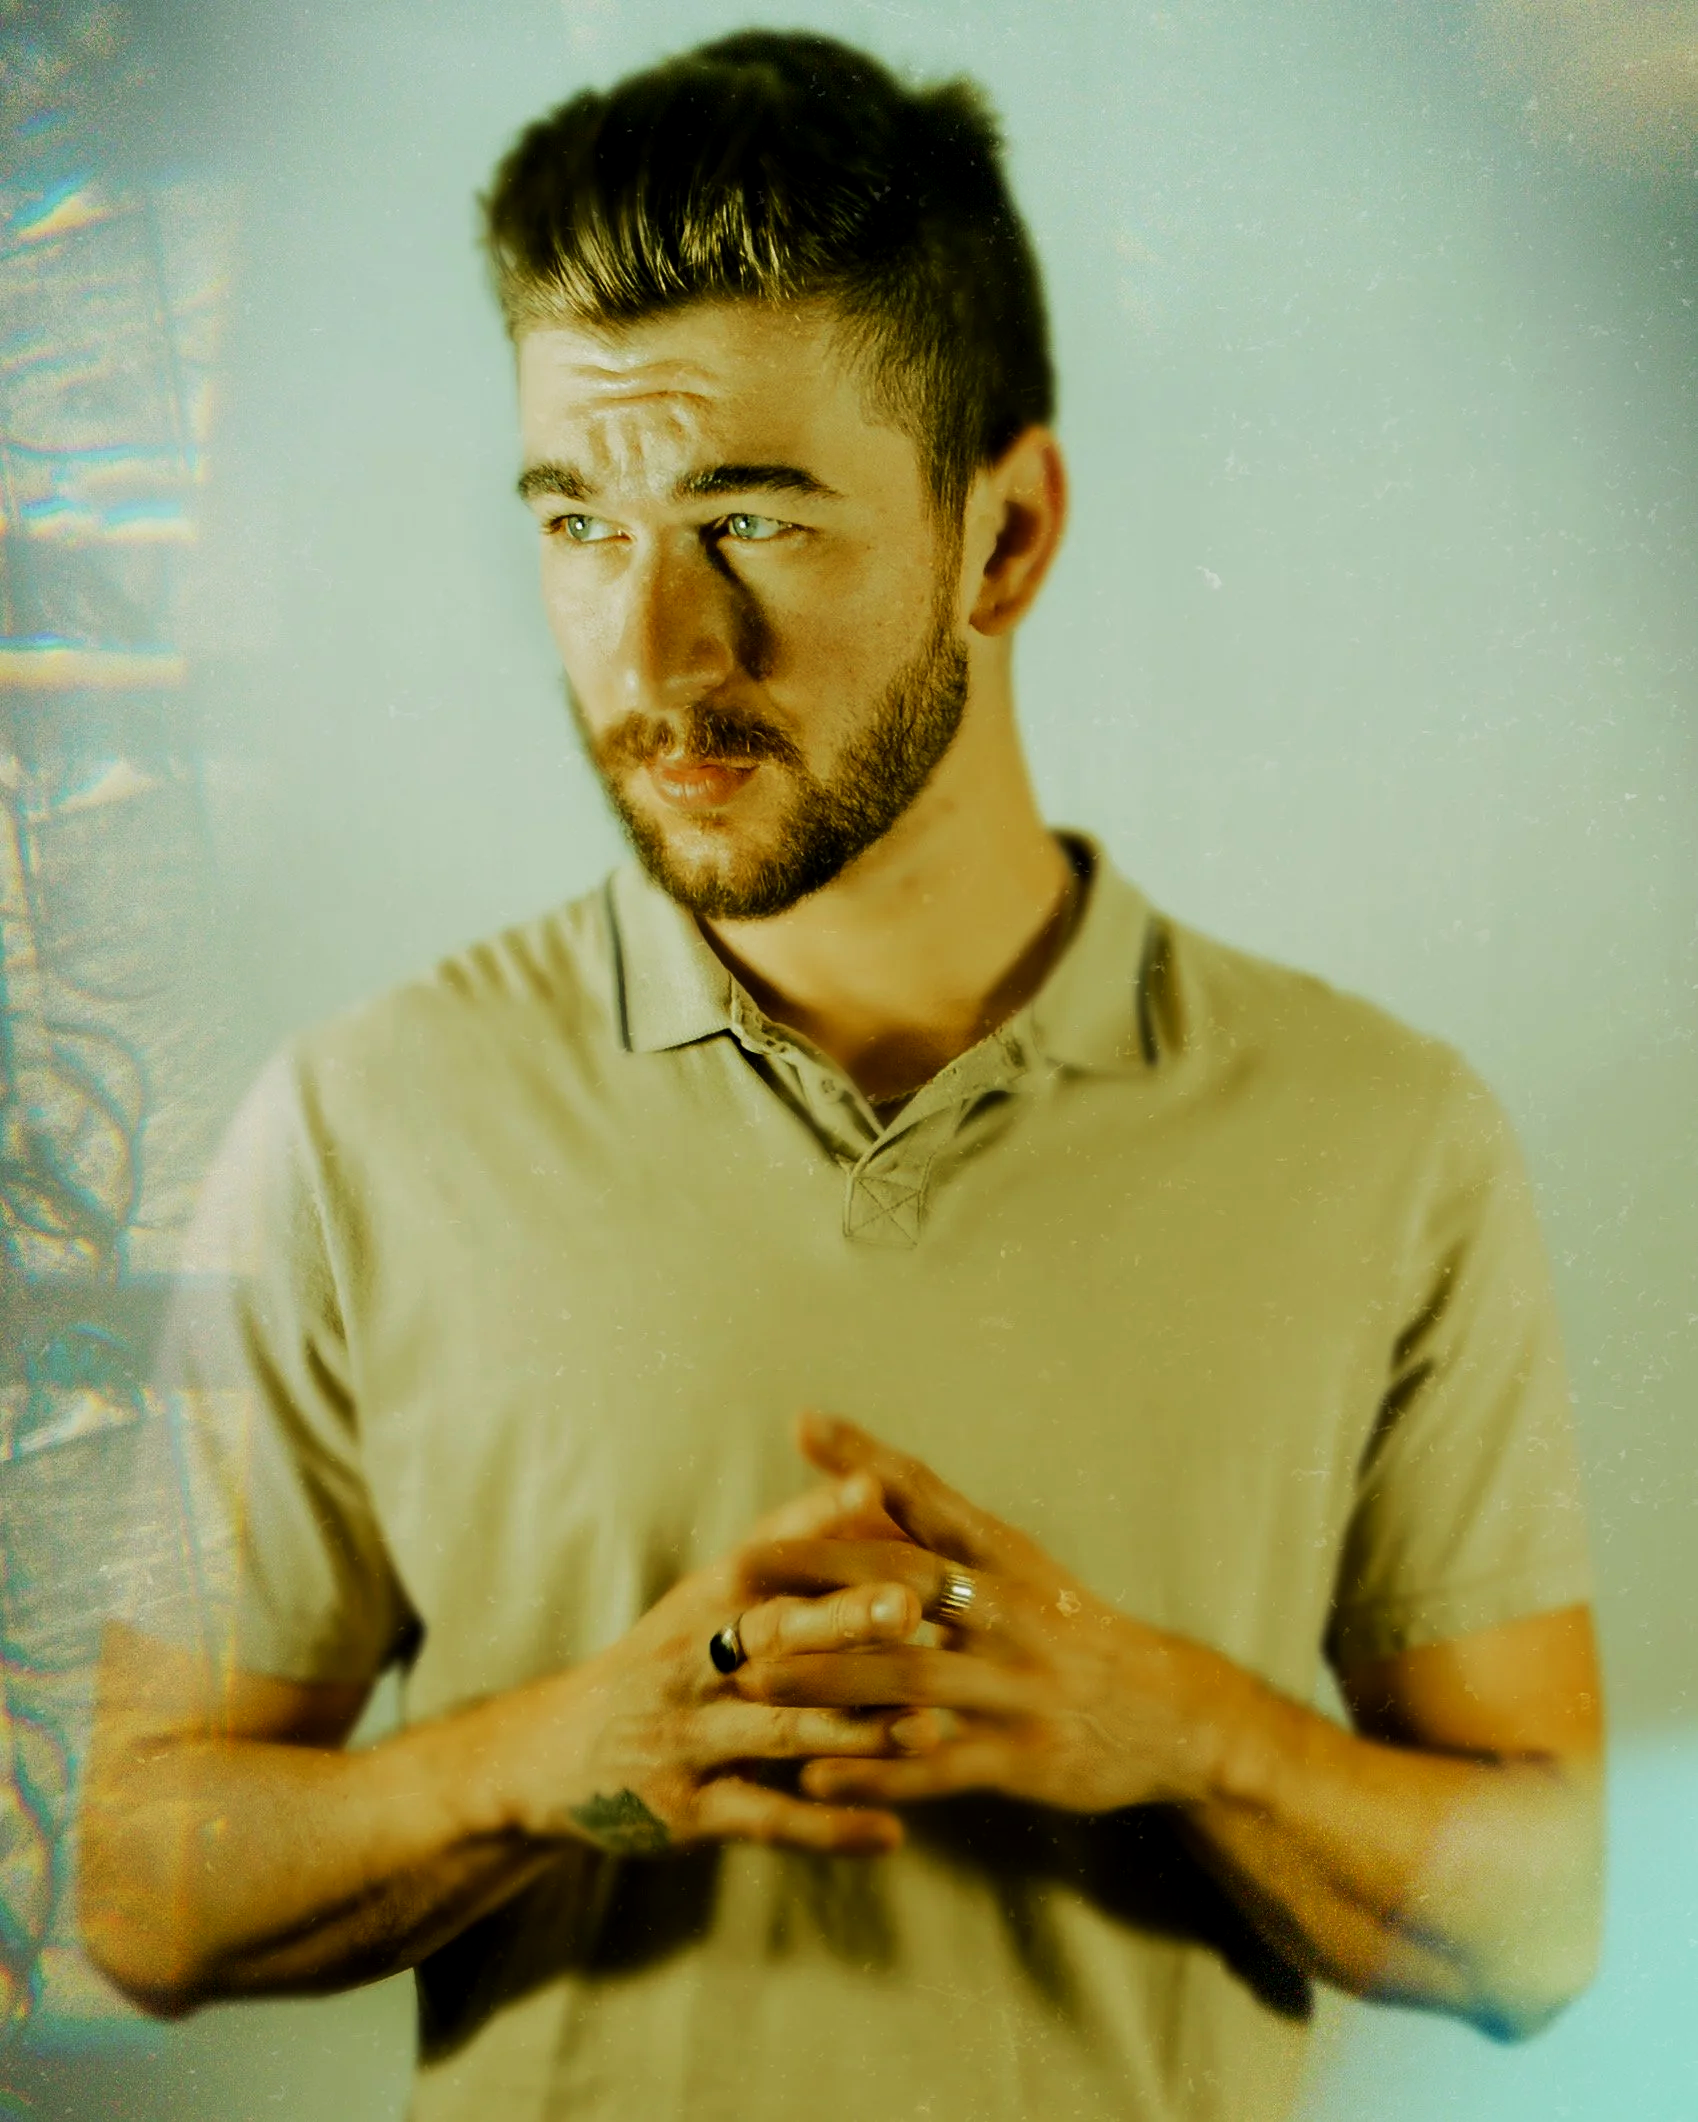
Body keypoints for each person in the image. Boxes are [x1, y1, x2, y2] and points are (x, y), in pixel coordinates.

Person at [79, 30, 1603, 2122]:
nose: (655, 647)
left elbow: (1551, 1910)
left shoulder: (1389, 1133)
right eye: (577, 517)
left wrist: (1174, 1730)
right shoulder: (347, 1126)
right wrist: (565, 1769)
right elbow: (142, 1882)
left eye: (754, 516)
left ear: (1007, 534)